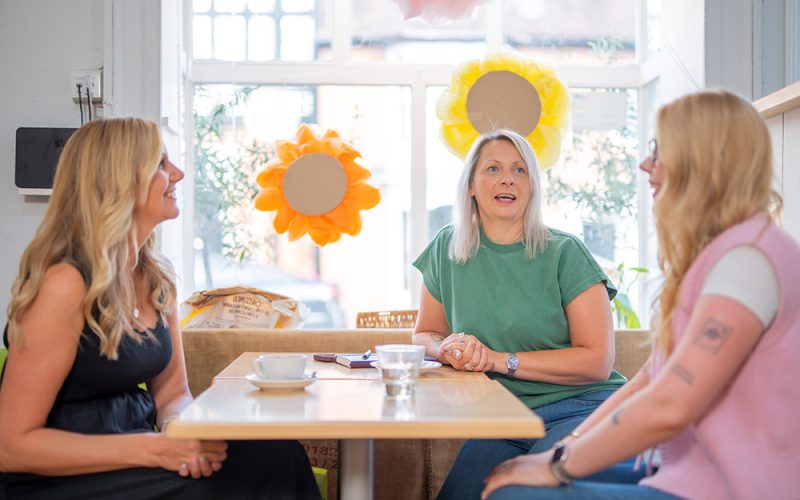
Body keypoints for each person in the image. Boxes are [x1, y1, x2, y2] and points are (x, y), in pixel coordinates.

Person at [481, 89, 800, 500]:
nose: (646, 164)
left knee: (514, 495)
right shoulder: (725, 252)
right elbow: (648, 380)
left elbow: (670, 404)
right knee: (514, 478)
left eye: (659, 151)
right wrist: (563, 450)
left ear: (700, 161)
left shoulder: (748, 262)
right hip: (677, 469)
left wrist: (556, 466)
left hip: (736, 488)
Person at [0, 117, 321, 499]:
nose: (179, 174)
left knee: (278, 457)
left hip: (136, 458)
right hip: (61, 480)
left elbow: (172, 395)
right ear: (117, 180)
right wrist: (158, 449)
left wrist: (184, 436)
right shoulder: (65, 284)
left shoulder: (155, 277)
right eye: (161, 164)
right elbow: (12, 447)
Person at [412, 128, 626, 500]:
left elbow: (597, 361)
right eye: (493, 169)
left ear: (531, 187)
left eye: (520, 170)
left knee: (518, 496)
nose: (508, 178)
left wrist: (496, 360)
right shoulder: (446, 247)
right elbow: (423, 334)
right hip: (506, 417)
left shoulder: (565, 252)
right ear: (471, 186)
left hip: (583, 409)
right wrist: (448, 346)